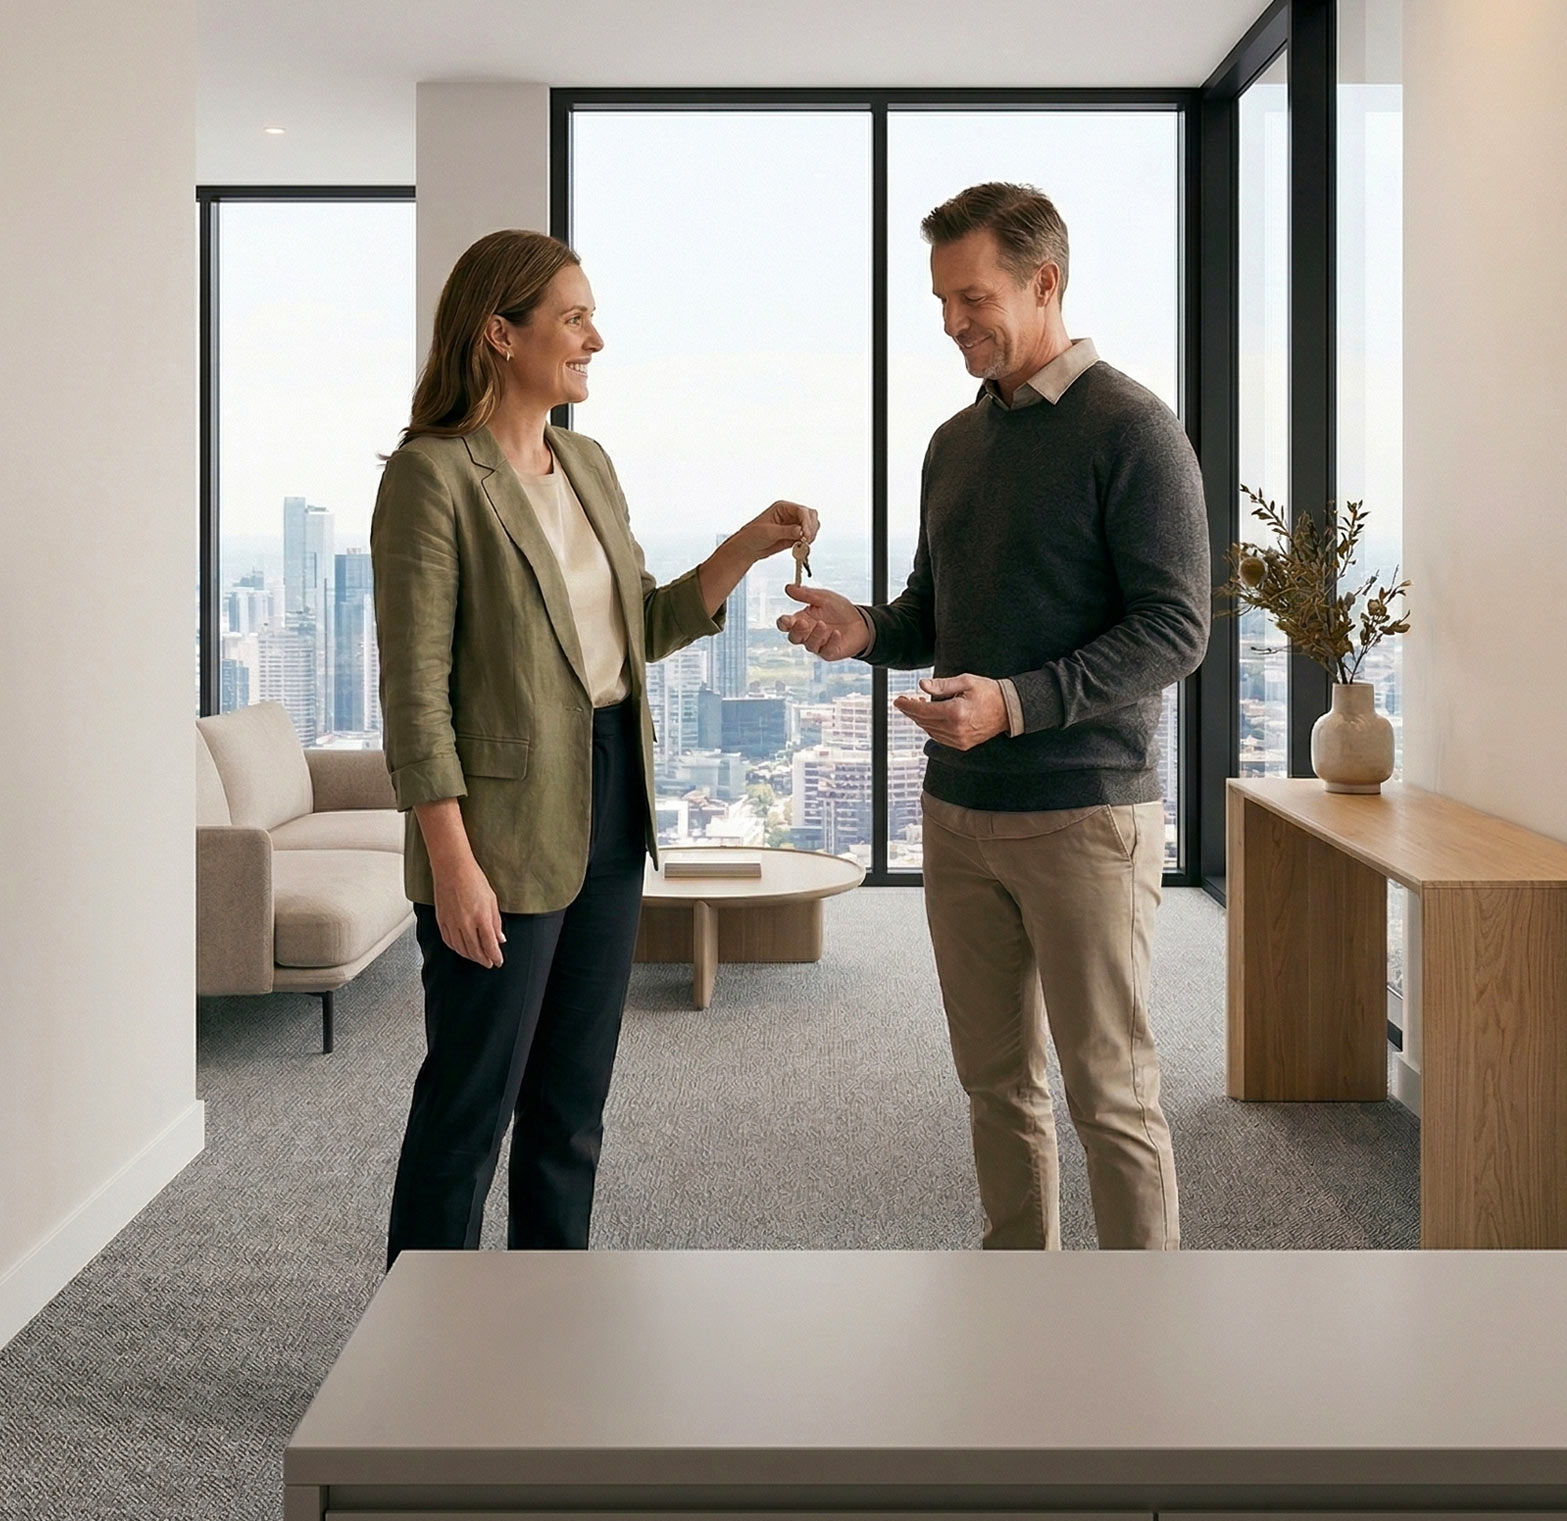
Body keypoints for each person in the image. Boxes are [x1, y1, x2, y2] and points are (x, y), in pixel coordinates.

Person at [778, 183, 1208, 1251]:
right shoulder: (952, 443)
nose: (951, 322)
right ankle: (1022, 1306)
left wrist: (1014, 705)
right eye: (941, 300)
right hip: (961, 815)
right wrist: (863, 630)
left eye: (972, 298)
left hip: (1084, 818)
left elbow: (1175, 629)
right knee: (994, 1083)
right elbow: (935, 612)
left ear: (1043, 281)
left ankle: (1149, 1332)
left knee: (1110, 1094)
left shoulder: (1133, 430)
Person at [373, 229, 816, 1263]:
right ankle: (422, 1334)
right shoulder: (432, 478)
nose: (595, 340)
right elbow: (416, 693)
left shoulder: (587, 464)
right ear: (500, 333)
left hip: (612, 796)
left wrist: (745, 546)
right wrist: (452, 863)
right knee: (471, 1102)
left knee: (572, 1099)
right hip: (496, 825)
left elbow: (639, 628)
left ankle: (548, 1315)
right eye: (573, 319)